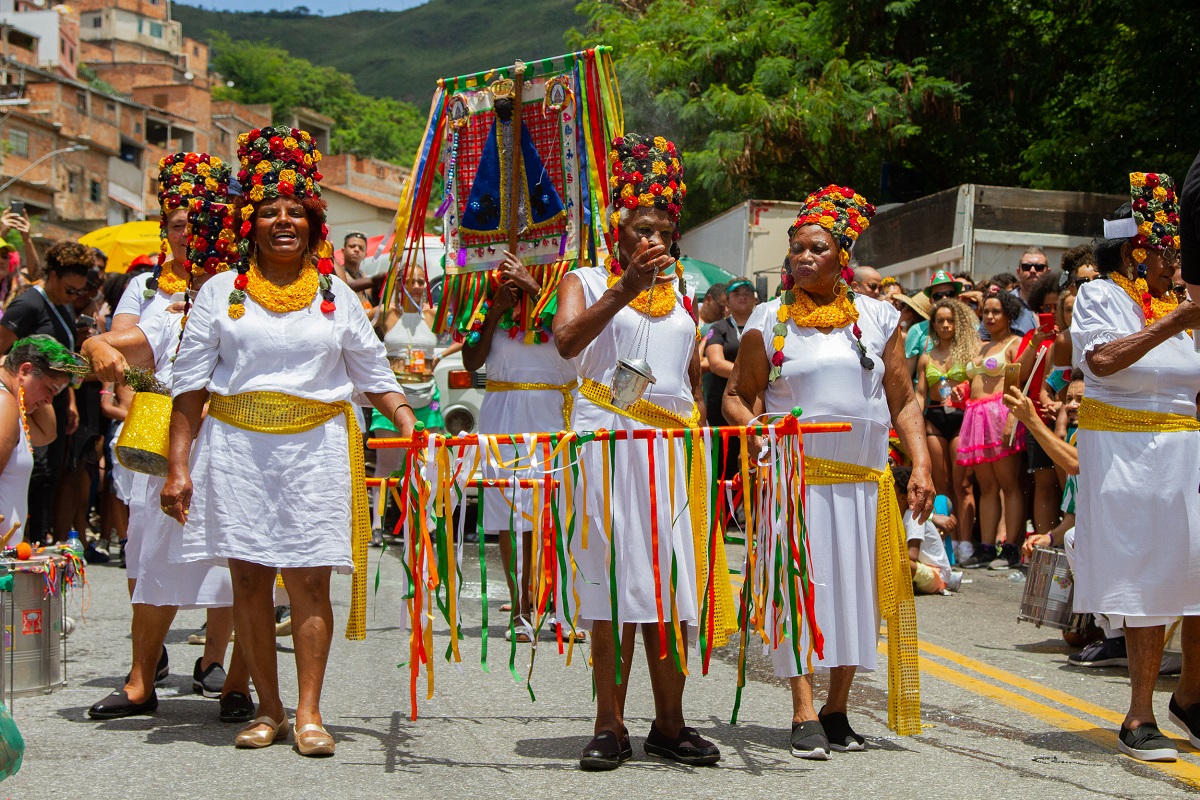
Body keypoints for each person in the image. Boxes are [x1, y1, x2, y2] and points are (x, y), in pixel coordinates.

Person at [160, 127, 416, 756]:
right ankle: (266, 709)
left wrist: (408, 422)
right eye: (270, 210)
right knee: (248, 582)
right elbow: (189, 388)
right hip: (237, 451)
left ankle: (308, 712)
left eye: (295, 211)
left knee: (308, 582)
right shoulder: (221, 293)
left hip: (317, 450)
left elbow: (374, 373)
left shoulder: (336, 295)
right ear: (250, 223)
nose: (283, 221)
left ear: (313, 222)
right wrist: (177, 466)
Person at [724, 184, 933, 759]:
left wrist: (921, 462)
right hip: (797, 484)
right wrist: (764, 440)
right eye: (796, 249)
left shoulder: (877, 315)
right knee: (800, 594)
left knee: (855, 595)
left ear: (842, 255)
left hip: (864, 482)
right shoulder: (769, 319)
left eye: (817, 248)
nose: (803, 257)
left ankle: (837, 710)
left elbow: (903, 399)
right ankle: (801, 709)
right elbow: (738, 398)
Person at [555, 132, 731, 771]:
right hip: (607, 447)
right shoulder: (587, 278)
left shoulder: (681, 292)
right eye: (638, 229)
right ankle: (609, 725)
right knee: (609, 588)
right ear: (617, 233)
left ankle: (670, 724)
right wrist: (622, 289)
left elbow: (684, 372)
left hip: (669, 454)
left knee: (670, 588)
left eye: (660, 229)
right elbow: (568, 342)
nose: (651, 240)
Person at [85, 152, 252, 723]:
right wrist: (100, 350)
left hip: (239, 441)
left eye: (212, 236)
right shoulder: (165, 299)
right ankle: (140, 682)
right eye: (190, 233)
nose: (200, 246)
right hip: (172, 444)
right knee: (155, 556)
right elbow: (115, 343)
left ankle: (235, 683)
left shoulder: (255, 294)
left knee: (243, 562)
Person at [1069, 175, 1200, 762]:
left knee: (1195, 575)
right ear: (1134, 249)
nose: (1180, 259)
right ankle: (1139, 715)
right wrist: (1177, 323)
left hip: (1186, 450)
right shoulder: (1103, 296)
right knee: (1148, 580)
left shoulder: (1184, 300)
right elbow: (1101, 362)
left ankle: (1191, 700)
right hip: (1128, 452)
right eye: (1171, 247)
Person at [461, 248, 578, 642]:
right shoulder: (489, 301)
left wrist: (535, 289)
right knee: (511, 518)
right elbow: (469, 360)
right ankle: (521, 609)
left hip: (552, 417)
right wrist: (495, 309)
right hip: (503, 419)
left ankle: (564, 609)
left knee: (556, 517)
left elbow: (573, 343)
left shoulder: (565, 300)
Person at [0, 241, 89, 545]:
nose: (75, 298)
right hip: (20, 384)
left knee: (46, 476)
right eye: (70, 290)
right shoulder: (28, 305)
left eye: (81, 292)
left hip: (31, 389)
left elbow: (48, 433)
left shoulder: (61, 307)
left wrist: (58, 392)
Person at [955, 288, 1051, 569]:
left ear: (1009, 314)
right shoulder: (980, 347)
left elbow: (1020, 373)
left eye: (996, 311)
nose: (990, 316)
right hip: (975, 416)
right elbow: (970, 378)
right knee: (986, 487)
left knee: (1009, 485)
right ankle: (986, 547)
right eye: (986, 311)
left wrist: (1033, 345)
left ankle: (1009, 547)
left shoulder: (1015, 342)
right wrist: (961, 389)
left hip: (1001, 413)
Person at [368, 262, 444, 546]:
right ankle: (377, 525)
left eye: (421, 282)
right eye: (410, 281)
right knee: (386, 464)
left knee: (429, 462)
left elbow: (467, 330)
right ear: (399, 284)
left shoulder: (433, 316)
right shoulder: (388, 313)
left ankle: (426, 519)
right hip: (393, 399)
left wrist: (441, 355)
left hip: (427, 399)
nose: (416, 286)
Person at [915, 298, 979, 560]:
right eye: (939, 320)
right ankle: (946, 547)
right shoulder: (925, 357)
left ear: (958, 324)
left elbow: (980, 387)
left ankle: (966, 542)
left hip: (963, 417)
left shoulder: (970, 354)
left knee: (963, 484)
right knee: (940, 485)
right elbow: (920, 394)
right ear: (933, 325)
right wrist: (913, 423)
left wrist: (964, 390)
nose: (945, 324)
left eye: (950, 320)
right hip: (933, 418)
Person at [0, 336, 76, 545]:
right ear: (24, 370)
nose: (49, 400)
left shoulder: (12, 404)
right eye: (49, 389)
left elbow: (48, 433)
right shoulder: (4, 403)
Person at [703, 278, 757, 480]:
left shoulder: (766, 322)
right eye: (737, 293)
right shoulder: (718, 328)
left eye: (747, 292)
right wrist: (754, 373)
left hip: (759, 401)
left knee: (757, 461)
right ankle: (724, 512)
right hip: (723, 405)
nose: (743, 296)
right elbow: (716, 363)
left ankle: (755, 510)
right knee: (724, 464)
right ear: (727, 300)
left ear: (754, 299)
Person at [893, 466, 959, 594]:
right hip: (925, 569)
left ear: (902, 498)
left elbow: (912, 554)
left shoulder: (913, 516)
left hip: (938, 575)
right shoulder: (899, 515)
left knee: (901, 562)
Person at [1011, 247, 1047, 334]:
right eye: (1026, 267)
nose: (1032, 271)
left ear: (1048, 272)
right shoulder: (1004, 302)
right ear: (1018, 272)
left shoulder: (1059, 303)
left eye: (1039, 267)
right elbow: (984, 340)